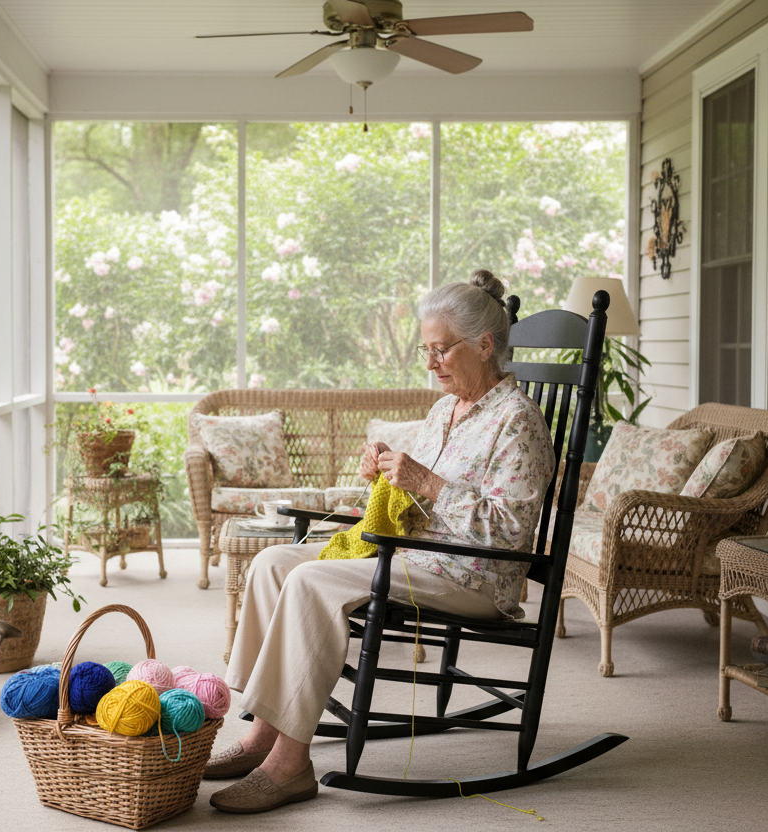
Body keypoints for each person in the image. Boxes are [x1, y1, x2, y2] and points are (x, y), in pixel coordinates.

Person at [206, 270, 557, 814]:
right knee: (272, 562)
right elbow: (413, 495)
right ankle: (260, 734)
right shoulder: (445, 409)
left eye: (441, 350)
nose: (430, 362)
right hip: (416, 553)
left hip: (472, 575)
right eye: (426, 350)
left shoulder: (519, 422)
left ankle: (289, 765)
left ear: (485, 345)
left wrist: (425, 482)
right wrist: (385, 472)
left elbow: (509, 533)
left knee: (310, 581)